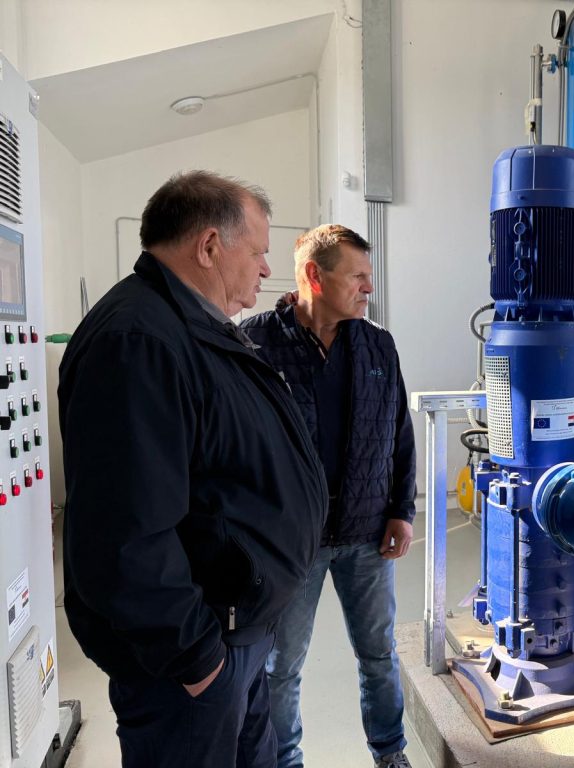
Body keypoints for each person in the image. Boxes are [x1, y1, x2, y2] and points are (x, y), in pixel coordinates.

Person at [58, 171, 329, 768]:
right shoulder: (139, 340)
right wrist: (198, 660)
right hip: (193, 663)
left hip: (236, 634)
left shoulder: (191, 327)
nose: (265, 270)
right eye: (256, 253)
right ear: (208, 246)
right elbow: (125, 532)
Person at [240, 224, 416, 768]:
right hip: (293, 542)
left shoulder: (377, 344)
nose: (369, 288)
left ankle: (390, 753)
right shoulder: (255, 344)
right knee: (282, 665)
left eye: (369, 276)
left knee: (378, 654)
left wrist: (401, 510)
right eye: (357, 276)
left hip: (367, 534)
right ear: (315, 276)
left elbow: (399, 433)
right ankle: (283, 760)